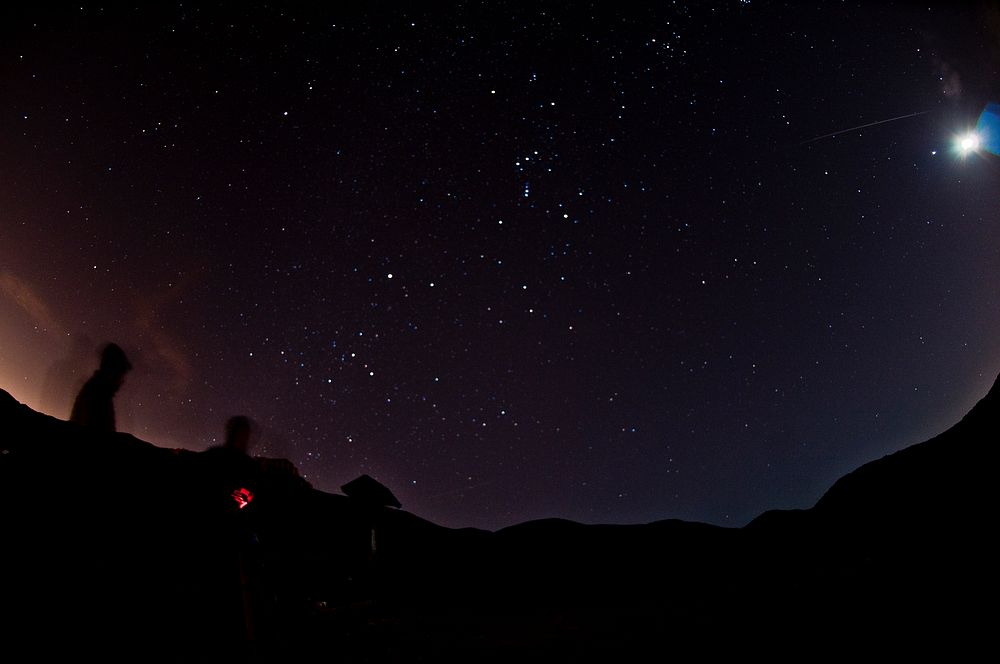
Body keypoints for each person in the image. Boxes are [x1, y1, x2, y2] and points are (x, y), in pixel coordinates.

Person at [69, 342, 132, 432]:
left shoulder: (98, 390)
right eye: (121, 373)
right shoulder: (98, 393)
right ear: (113, 369)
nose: (122, 381)